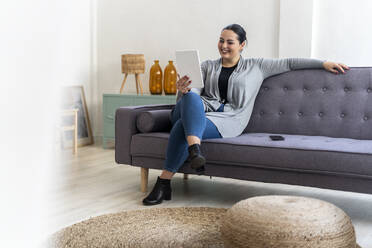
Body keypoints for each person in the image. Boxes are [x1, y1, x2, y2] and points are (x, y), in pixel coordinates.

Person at [142, 24, 349, 206]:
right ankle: (195, 149)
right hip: (196, 111)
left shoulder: (257, 67)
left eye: (230, 42)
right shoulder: (206, 66)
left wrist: (322, 63)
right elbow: (190, 98)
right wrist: (184, 90)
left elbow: (290, 63)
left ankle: (164, 183)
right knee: (192, 98)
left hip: (228, 121)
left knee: (181, 127)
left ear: (242, 45)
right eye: (221, 40)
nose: (224, 45)